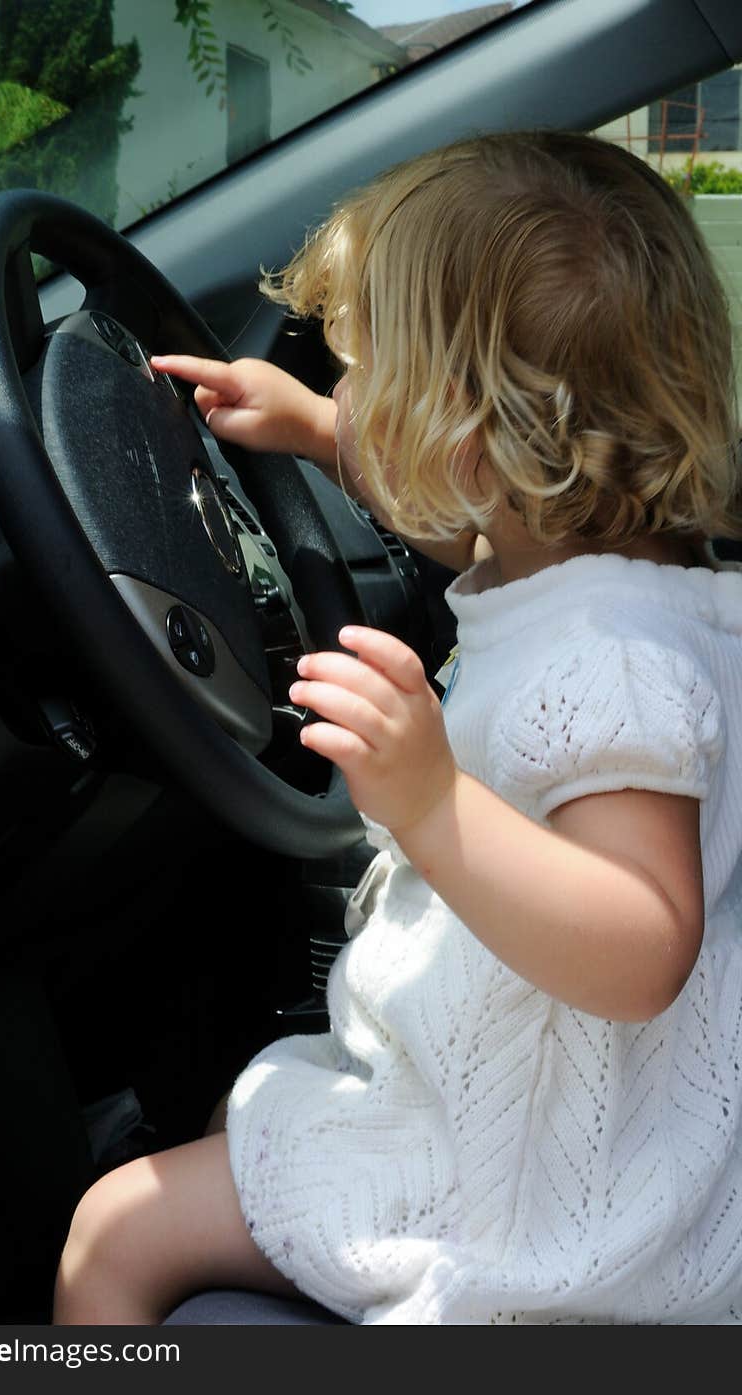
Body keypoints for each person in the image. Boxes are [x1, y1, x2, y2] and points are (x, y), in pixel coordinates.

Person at [53, 131, 742, 1325]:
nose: (345, 391)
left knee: (114, 1228)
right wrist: (321, 431)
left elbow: (641, 950)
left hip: (535, 1188)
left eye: (363, 375)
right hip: (521, 1102)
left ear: (470, 435)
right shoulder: (606, 572)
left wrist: (431, 802)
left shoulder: (617, 662)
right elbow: (468, 523)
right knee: (238, 1118)